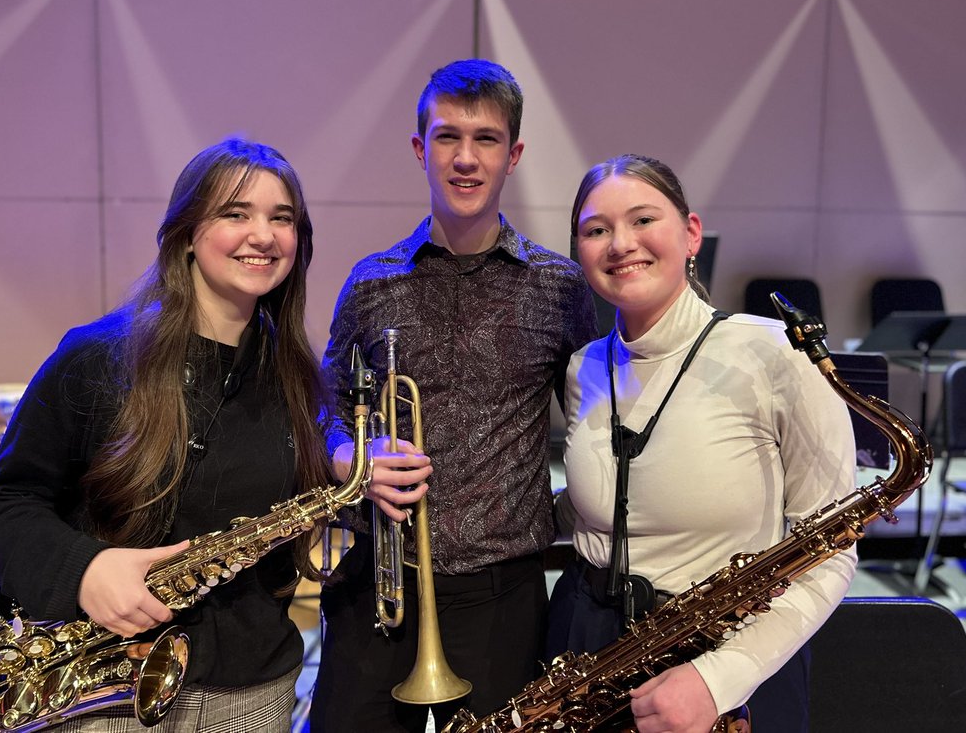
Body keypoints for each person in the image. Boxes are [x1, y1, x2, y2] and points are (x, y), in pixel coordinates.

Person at [0, 138, 335, 732]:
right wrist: (85, 570)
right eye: (236, 213)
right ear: (187, 234)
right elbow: (2, 502)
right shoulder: (98, 356)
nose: (263, 235)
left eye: (281, 218)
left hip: (252, 694)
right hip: (108, 691)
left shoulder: (294, 377)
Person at [309, 59, 599, 733]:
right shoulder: (371, 282)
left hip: (503, 591)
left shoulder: (559, 288)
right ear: (420, 149)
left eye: (486, 139)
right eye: (446, 137)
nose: (465, 158)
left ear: (513, 154)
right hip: (379, 585)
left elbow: (595, 417)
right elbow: (322, 404)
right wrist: (352, 455)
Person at [549, 154, 857, 733]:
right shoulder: (584, 367)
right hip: (585, 645)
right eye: (596, 230)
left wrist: (719, 679)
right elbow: (595, 509)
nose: (621, 243)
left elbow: (830, 552)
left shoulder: (776, 355)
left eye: (643, 220)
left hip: (728, 662)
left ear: (691, 233)